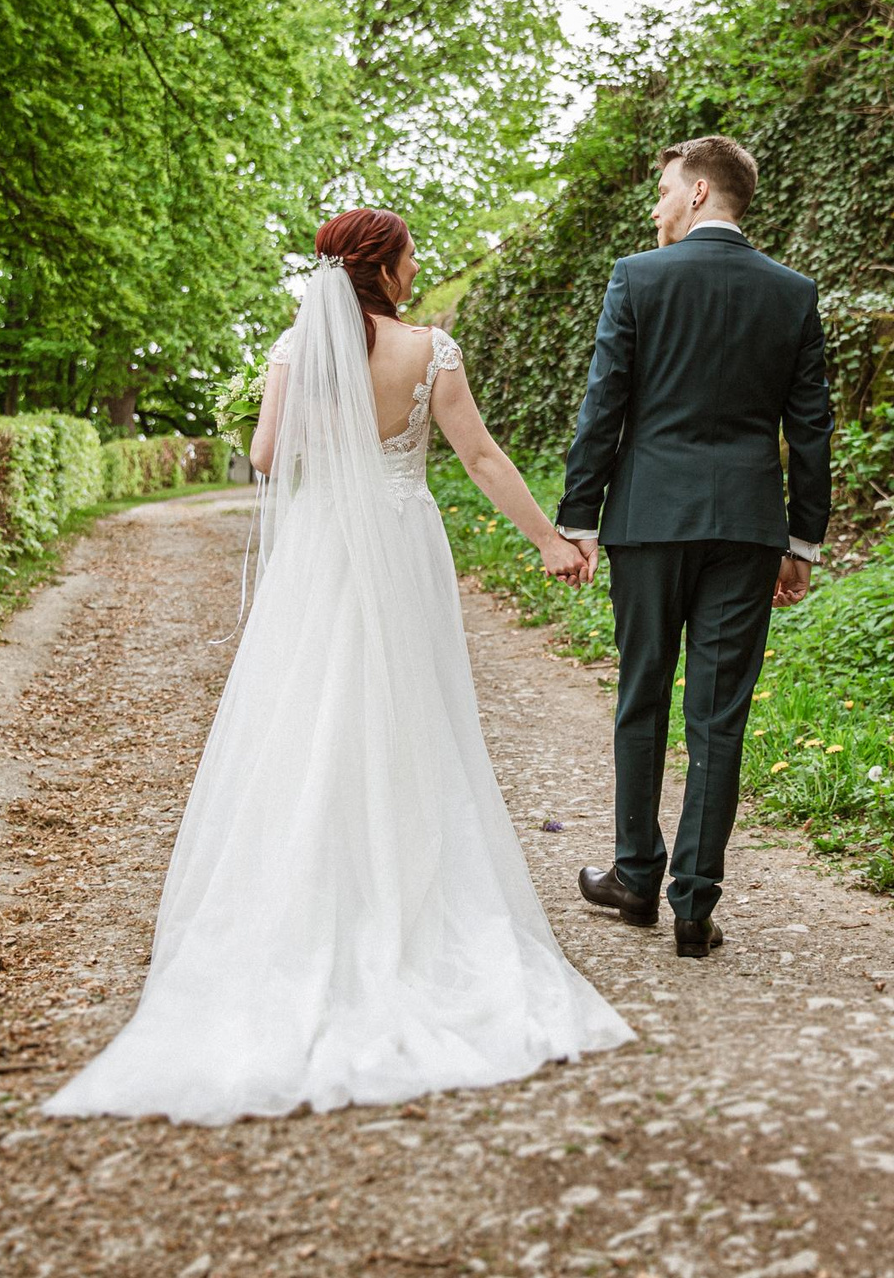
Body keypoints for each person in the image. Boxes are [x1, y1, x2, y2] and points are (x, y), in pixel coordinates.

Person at [40, 208, 631, 1124]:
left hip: (319, 549)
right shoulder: (431, 350)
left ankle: (303, 897)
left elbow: (270, 455)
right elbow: (476, 455)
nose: (417, 265)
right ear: (385, 270)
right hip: (400, 542)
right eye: (409, 255)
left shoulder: (295, 346)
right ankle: (407, 896)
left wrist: (332, 426)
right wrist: (549, 538)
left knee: (309, 712)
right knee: (407, 715)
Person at [558, 135, 833, 959]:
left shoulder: (638, 277)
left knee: (642, 693)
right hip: (747, 529)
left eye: (666, 189)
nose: (657, 206)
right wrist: (802, 537)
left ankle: (636, 873)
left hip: (647, 522)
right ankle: (693, 904)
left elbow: (604, 402)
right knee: (719, 716)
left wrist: (580, 514)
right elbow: (811, 426)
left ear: (703, 192)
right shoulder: (792, 292)